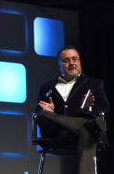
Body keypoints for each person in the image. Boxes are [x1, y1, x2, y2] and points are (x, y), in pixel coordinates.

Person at [35, 45, 110, 174]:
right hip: (56, 134)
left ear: (79, 62)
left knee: (87, 133)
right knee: (41, 114)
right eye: (66, 60)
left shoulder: (94, 84)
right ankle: (84, 124)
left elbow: (104, 108)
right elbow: (38, 112)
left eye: (75, 59)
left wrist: (88, 109)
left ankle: (84, 125)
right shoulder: (46, 87)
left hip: (81, 136)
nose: (72, 63)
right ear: (58, 65)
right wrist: (51, 111)